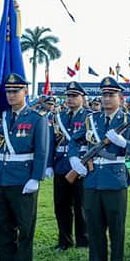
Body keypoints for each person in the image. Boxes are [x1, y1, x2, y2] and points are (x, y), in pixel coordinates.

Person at [67, 77, 130, 261]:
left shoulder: (129, 120)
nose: (107, 99)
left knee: (116, 229)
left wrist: (124, 143)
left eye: (111, 95)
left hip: (115, 179)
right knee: (94, 228)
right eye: (104, 95)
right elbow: (74, 140)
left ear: (120, 98)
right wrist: (74, 158)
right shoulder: (91, 119)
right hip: (93, 180)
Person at [0, 73, 48, 261]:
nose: (10, 95)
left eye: (15, 91)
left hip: (23, 179)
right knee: (2, 225)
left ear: (25, 91)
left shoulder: (36, 118)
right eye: (8, 91)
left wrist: (36, 177)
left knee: (25, 226)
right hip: (1, 177)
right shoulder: (0, 117)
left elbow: (42, 150)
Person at [49, 82, 89, 251]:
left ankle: (83, 240)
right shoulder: (59, 117)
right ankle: (64, 240)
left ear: (82, 98)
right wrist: (49, 164)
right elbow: (51, 142)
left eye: (74, 96)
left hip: (81, 164)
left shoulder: (89, 117)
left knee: (81, 205)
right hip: (61, 165)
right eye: (68, 96)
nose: (70, 99)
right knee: (61, 205)